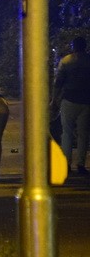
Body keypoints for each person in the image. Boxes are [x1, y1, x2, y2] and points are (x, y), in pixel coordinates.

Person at [51, 35, 90, 177]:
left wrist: (54, 100)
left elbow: (58, 82)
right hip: (86, 101)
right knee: (83, 134)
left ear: (73, 46)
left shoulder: (66, 61)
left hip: (69, 100)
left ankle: (66, 163)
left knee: (66, 133)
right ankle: (81, 164)